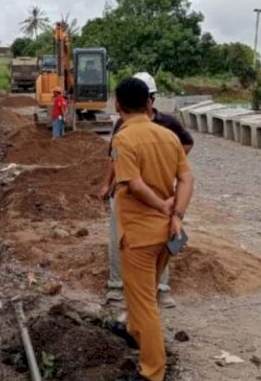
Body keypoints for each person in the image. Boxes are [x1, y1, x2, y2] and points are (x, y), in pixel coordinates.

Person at [110, 77, 194, 381]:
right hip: (167, 235)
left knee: (145, 303)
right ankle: (133, 331)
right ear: (149, 103)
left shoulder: (123, 139)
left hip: (140, 237)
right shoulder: (168, 136)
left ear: (117, 105)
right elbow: (186, 179)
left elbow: (132, 184)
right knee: (142, 295)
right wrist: (177, 215)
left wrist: (161, 207)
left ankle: (152, 372)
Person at [100, 72, 194, 309]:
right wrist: (106, 183)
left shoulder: (168, 125)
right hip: (131, 195)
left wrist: (169, 166)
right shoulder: (123, 126)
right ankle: (119, 289)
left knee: (163, 239)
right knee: (119, 240)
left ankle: (158, 290)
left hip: (158, 194)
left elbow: (186, 158)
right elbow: (114, 158)